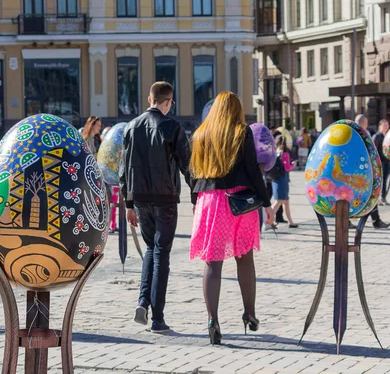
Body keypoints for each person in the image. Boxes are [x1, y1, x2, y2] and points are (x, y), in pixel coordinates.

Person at [189, 92, 273, 345]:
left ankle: (212, 320)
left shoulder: (201, 134)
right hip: (239, 202)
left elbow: (193, 172)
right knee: (244, 257)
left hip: (209, 201)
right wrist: (267, 203)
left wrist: (197, 202)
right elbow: (252, 170)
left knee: (212, 263)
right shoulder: (242, 132)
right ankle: (250, 313)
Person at [119, 81, 192, 334]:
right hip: (165, 198)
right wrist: (197, 194)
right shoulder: (172, 126)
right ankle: (158, 318)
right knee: (161, 253)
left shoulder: (131, 126)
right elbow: (187, 164)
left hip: (139, 198)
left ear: (150, 99)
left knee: (151, 248)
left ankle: (142, 301)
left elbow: (123, 168)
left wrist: (128, 204)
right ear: (168, 101)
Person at [355, 115, 390, 229]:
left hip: (357, 169)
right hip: (364, 169)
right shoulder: (363, 133)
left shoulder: (352, 133)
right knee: (369, 194)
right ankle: (376, 221)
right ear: (364, 123)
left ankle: (376, 220)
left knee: (364, 195)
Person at [271, 136, 298, 228]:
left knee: (286, 201)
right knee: (279, 201)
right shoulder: (284, 153)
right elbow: (287, 168)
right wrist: (293, 165)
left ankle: (290, 222)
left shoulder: (275, 151)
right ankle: (268, 220)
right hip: (282, 179)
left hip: (275, 178)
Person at [373, 119, 390, 205]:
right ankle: (379, 199)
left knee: (385, 180)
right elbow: (374, 149)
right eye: (384, 125)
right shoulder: (377, 136)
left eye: (387, 125)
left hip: (387, 161)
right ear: (380, 126)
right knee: (380, 181)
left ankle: (383, 197)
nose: (386, 127)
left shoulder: (388, 136)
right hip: (380, 162)